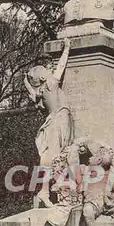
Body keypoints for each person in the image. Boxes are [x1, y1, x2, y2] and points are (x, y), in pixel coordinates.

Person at [24, 39, 73, 207]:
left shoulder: (39, 92)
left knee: (52, 156)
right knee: (55, 156)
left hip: (55, 121)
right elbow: (61, 66)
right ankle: (47, 191)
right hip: (58, 121)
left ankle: (49, 189)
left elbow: (30, 89)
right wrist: (66, 49)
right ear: (44, 77)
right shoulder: (51, 84)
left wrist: (26, 81)